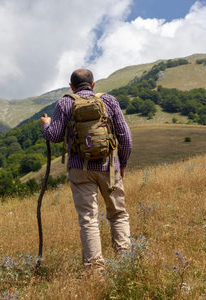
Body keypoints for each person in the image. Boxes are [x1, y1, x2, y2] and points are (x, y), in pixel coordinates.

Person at [40, 68, 132, 271]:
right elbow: (125, 136)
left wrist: (46, 125)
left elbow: (54, 136)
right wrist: (122, 164)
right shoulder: (109, 100)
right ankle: (125, 264)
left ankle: (95, 269)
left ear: (71, 86)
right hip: (109, 167)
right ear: (93, 85)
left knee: (89, 219)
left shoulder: (66, 102)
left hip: (79, 169)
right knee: (118, 214)